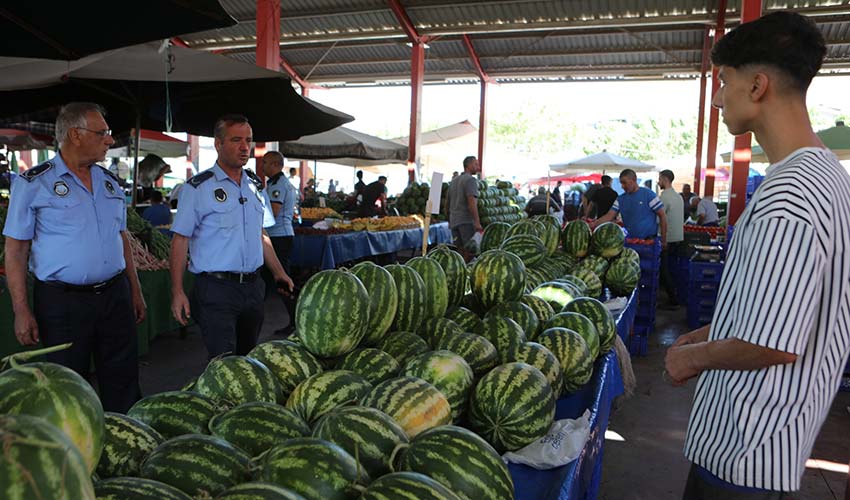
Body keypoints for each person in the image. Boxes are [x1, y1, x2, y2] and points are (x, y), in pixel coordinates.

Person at [664, 12, 850, 498]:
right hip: (772, 442)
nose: (718, 97)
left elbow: (773, 342)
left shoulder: (789, 195)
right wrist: (706, 333)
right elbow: (782, 307)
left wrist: (693, 359)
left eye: (724, 81)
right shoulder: (827, 175)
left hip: (747, 450)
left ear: (758, 85)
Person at [2, 102, 145, 413]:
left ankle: (127, 446)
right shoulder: (33, 183)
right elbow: (15, 249)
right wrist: (21, 310)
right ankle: (76, 453)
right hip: (62, 302)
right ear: (76, 134)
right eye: (103, 133)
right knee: (68, 385)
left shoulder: (109, 182)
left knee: (123, 380)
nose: (110, 140)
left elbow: (121, 238)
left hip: (114, 296)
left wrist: (135, 289)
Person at [169, 114, 294, 359]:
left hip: (253, 288)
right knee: (223, 363)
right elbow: (180, 240)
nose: (245, 147)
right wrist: (177, 291)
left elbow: (262, 234)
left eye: (248, 140)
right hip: (216, 289)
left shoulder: (256, 187)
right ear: (218, 144)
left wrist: (279, 273)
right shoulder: (198, 188)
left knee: (247, 361)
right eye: (236, 140)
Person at [262, 151, 299, 337]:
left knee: (282, 279)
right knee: (270, 280)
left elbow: (273, 212)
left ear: (276, 164)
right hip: (279, 236)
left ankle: (296, 321)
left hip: (278, 237)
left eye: (265, 162)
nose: (263, 166)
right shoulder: (277, 183)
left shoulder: (278, 185)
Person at [592, 169, 667, 248]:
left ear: (633, 180)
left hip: (649, 242)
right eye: (621, 183)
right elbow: (609, 216)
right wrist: (594, 224)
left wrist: (664, 239)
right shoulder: (620, 199)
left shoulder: (649, 195)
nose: (622, 186)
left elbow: (662, 215)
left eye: (624, 183)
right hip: (630, 242)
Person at [447, 156, 483, 260]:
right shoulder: (470, 180)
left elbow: (447, 203)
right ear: (469, 165)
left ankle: (460, 270)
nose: (478, 167)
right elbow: (471, 201)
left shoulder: (454, 181)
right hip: (466, 221)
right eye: (476, 164)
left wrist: (449, 219)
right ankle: (467, 272)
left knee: (459, 251)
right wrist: (477, 221)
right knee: (469, 251)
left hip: (454, 221)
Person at [657, 169, 684, 307]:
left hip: (667, 238)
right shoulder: (678, 196)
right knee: (673, 269)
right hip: (678, 237)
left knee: (664, 270)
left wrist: (663, 240)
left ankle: (673, 300)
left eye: (659, 179)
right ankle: (675, 296)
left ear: (665, 179)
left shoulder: (664, 197)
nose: (658, 182)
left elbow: (659, 219)